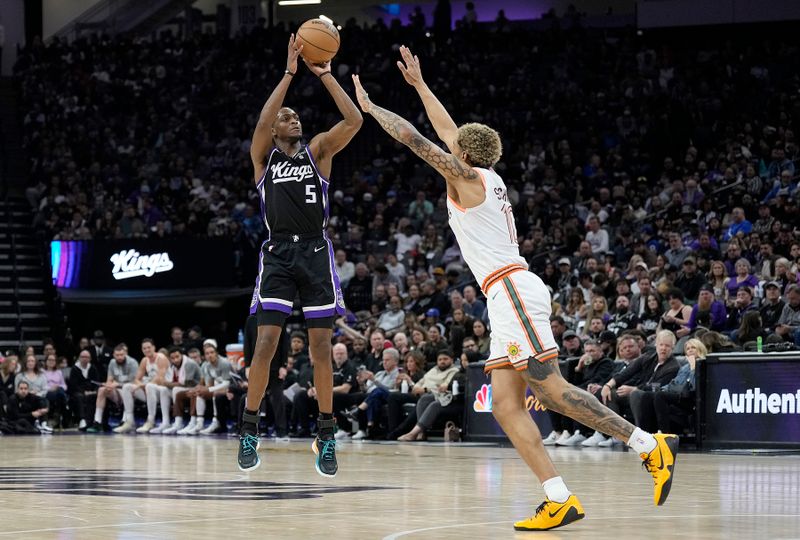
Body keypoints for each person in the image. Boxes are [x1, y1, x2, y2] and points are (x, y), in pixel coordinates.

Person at [352, 47, 679, 531]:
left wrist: (372, 108)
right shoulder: (484, 175)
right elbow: (445, 131)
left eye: (454, 147)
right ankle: (558, 497)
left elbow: (415, 137)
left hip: (511, 290)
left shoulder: (468, 180)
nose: (448, 147)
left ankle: (649, 446)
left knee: (552, 392)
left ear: (461, 155)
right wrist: (420, 86)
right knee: (506, 404)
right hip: (503, 295)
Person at [239, 33, 363, 476]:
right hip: (277, 255)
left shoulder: (318, 152)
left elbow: (353, 120)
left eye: (295, 116)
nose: (292, 119)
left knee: (320, 351)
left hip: (314, 253)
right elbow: (261, 122)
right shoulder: (264, 160)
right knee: (266, 345)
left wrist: (327, 75)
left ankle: (326, 436)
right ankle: (250, 428)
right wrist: (289, 73)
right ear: (275, 130)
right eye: (285, 117)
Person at [86, 345, 139, 433]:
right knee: (102, 390)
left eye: (121, 355)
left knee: (128, 390)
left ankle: (125, 421)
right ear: (113, 355)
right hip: (117, 390)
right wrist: (108, 386)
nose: (119, 357)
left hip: (131, 390)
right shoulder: (112, 362)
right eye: (117, 355)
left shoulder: (132, 363)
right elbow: (109, 380)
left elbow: (134, 383)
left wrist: (118, 384)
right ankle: (97, 422)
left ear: (125, 354)